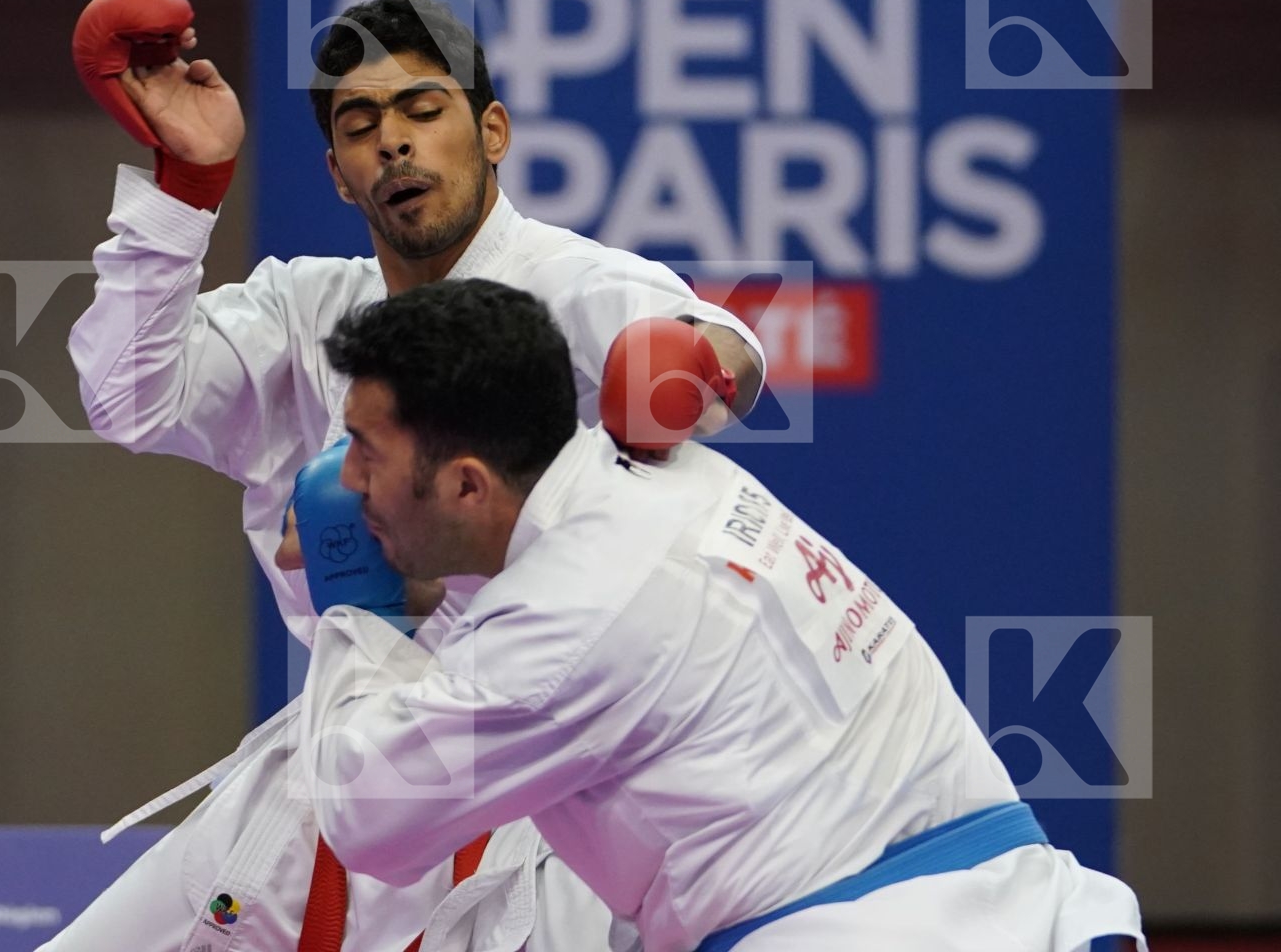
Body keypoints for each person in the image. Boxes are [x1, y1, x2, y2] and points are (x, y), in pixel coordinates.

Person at [48, 0, 765, 949]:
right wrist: (187, 185)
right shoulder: (306, 313)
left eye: (423, 110)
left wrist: (692, 368)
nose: (393, 142)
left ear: (492, 130)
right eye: (360, 125)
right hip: (347, 758)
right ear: (341, 176)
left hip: (540, 798)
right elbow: (131, 397)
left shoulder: (573, 284)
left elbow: (714, 353)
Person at [297, 277, 1148, 952]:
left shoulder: (564, 633)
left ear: (468, 483)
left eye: (367, 452)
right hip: (1034, 905)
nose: (350, 480)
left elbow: (366, 818)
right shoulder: (668, 472)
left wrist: (360, 609)